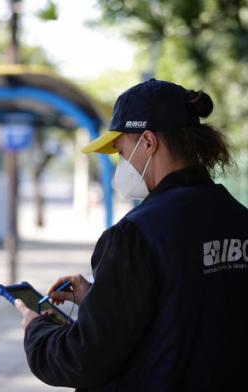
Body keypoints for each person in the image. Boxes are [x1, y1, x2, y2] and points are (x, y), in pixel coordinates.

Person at [15, 79, 248, 391]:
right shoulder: (237, 217)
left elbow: (83, 360)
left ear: (149, 142)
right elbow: (186, 307)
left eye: (122, 152)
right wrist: (97, 298)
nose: (121, 165)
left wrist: (37, 330)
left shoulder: (134, 235)